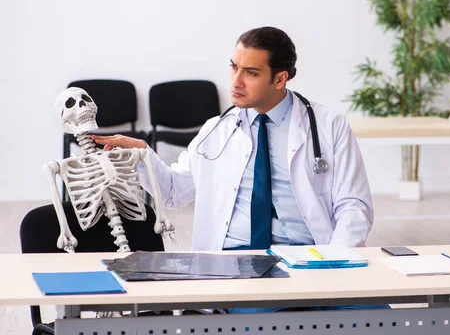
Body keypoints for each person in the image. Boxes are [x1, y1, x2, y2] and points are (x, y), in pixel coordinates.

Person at [93, 27, 383, 311]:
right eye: (234, 67)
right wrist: (143, 154)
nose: (236, 81)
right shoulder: (215, 130)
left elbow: (354, 205)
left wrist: (336, 263)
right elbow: (173, 192)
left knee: (376, 316)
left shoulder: (328, 125)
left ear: (280, 78)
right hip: (238, 264)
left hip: (312, 259)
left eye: (251, 73)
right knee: (262, 316)